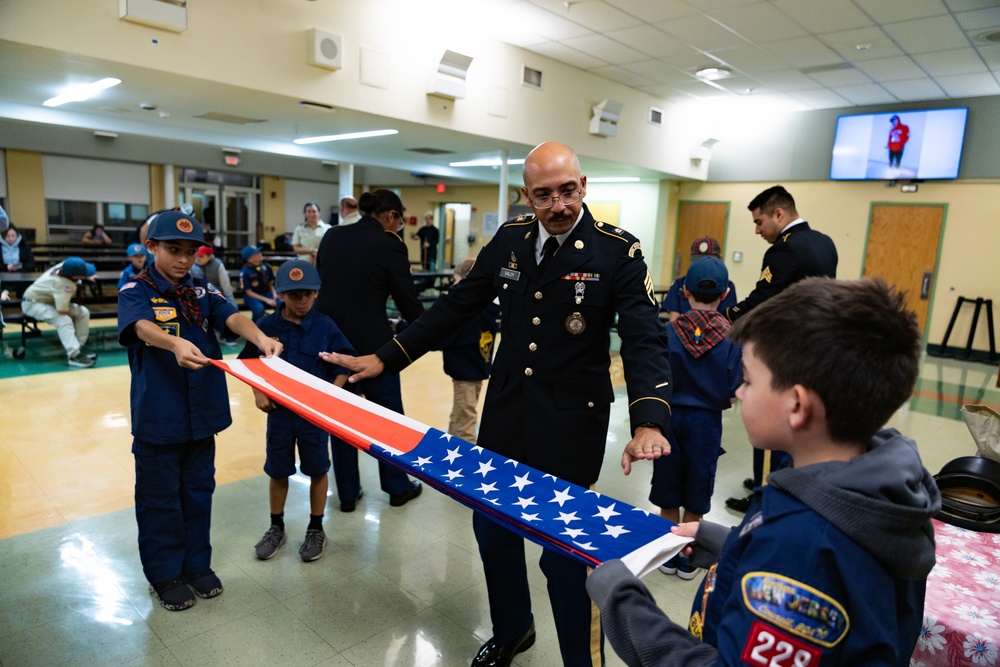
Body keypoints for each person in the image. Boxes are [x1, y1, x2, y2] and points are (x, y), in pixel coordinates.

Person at [322, 142, 672, 667]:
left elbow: (643, 337)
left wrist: (648, 419)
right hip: (507, 410)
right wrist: (386, 357)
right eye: (544, 195)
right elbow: (457, 306)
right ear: (527, 196)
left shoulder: (616, 251)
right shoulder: (510, 240)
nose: (558, 205)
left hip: (570, 422)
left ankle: (581, 658)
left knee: (565, 553)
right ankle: (513, 629)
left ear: (583, 187)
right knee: (493, 530)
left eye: (568, 191)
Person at [588, 276, 940, 667]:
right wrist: (734, 544)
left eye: (749, 380)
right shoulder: (880, 492)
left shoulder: (798, 548)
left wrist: (621, 599)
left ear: (797, 406)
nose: (737, 391)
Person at [118, 210, 282, 612]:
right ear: (152, 247)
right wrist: (172, 343)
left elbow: (231, 316)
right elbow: (141, 327)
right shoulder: (134, 289)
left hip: (200, 416)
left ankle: (196, 566)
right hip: (160, 417)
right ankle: (164, 574)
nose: (184, 260)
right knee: (160, 501)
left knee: (198, 493)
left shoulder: (201, 290)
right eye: (174, 250)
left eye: (192, 252)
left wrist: (260, 336)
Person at [723, 185, 837, 513]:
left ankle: (765, 495)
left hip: (786, 350)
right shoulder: (824, 242)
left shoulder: (785, 250)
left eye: (760, 222)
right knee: (798, 422)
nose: (757, 230)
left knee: (775, 424)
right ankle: (779, 482)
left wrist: (726, 314)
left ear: (779, 214)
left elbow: (763, 300)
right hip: (815, 346)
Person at [314, 189, 424, 512]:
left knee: (341, 420)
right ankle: (397, 488)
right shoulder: (390, 244)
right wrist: (426, 328)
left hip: (332, 345)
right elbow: (407, 301)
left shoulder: (332, 237)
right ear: (391, 216)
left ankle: (347, 494)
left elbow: (328, 284)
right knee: (387, 420)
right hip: (374, 350)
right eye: (399, 221)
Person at [239, 260, 356, 563]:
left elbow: (344, 362)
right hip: (279, 415)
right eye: (294, 295)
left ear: (316, 293)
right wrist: (258, 391)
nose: (301, 301)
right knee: (278, 470)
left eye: (307, 294)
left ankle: (316, 528)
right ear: (279, 293)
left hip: (313, 417)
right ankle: (276, 526)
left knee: (318, 469)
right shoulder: (265, 327)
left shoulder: (325, 326)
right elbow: (248, 364)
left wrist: (334, 391)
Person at [648, 256, 742, 580]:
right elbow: (735, 388)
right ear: (726, 292)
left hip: (669, 419)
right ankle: (690, 559)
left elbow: (655, 377)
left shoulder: (669, 331)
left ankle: (667, 554)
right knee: (698, 487)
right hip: (707, 424)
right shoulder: (733, 338)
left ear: (684, 292)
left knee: (667, 484)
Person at [432, 257, 500, 443]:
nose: (453, 287)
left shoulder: (468, 318)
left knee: (465, 423)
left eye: (456, 282)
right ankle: (450, 451)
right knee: (458, 416)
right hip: (476, 373)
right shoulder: (488, 313)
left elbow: (441, 338)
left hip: (466, 377)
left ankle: (466, 464)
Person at [21, 257, 98, 368]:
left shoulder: (66, 267)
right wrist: (71, 317)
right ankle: (74, 356)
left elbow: (75, 274)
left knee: (83, 312)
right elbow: (62, 311)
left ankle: (78, 347)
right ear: (74, 276)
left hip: (49, 300)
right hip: (33, 304)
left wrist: (86, 276)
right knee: (64, 320)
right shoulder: (63, 284)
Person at [660, 236, 735, 322]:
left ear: (720, 258)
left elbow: (725, 320)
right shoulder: (679, 283)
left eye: (709, 260)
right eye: (698, 260)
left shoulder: (727, 286)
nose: (704, 265)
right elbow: (673, 319)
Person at [239, 244, 277, 322]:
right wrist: (267, 300)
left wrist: (275, 294)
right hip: (252, 296)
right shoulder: (245, 272)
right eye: (256, 253)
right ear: (250, 259)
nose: (260, 254)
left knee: (281, 304)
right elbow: (248, 292)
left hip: (266, 293)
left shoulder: (266, 267)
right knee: (259, 309)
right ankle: (255, 327)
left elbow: (270, 284)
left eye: (259, 252)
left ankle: (277, 325)